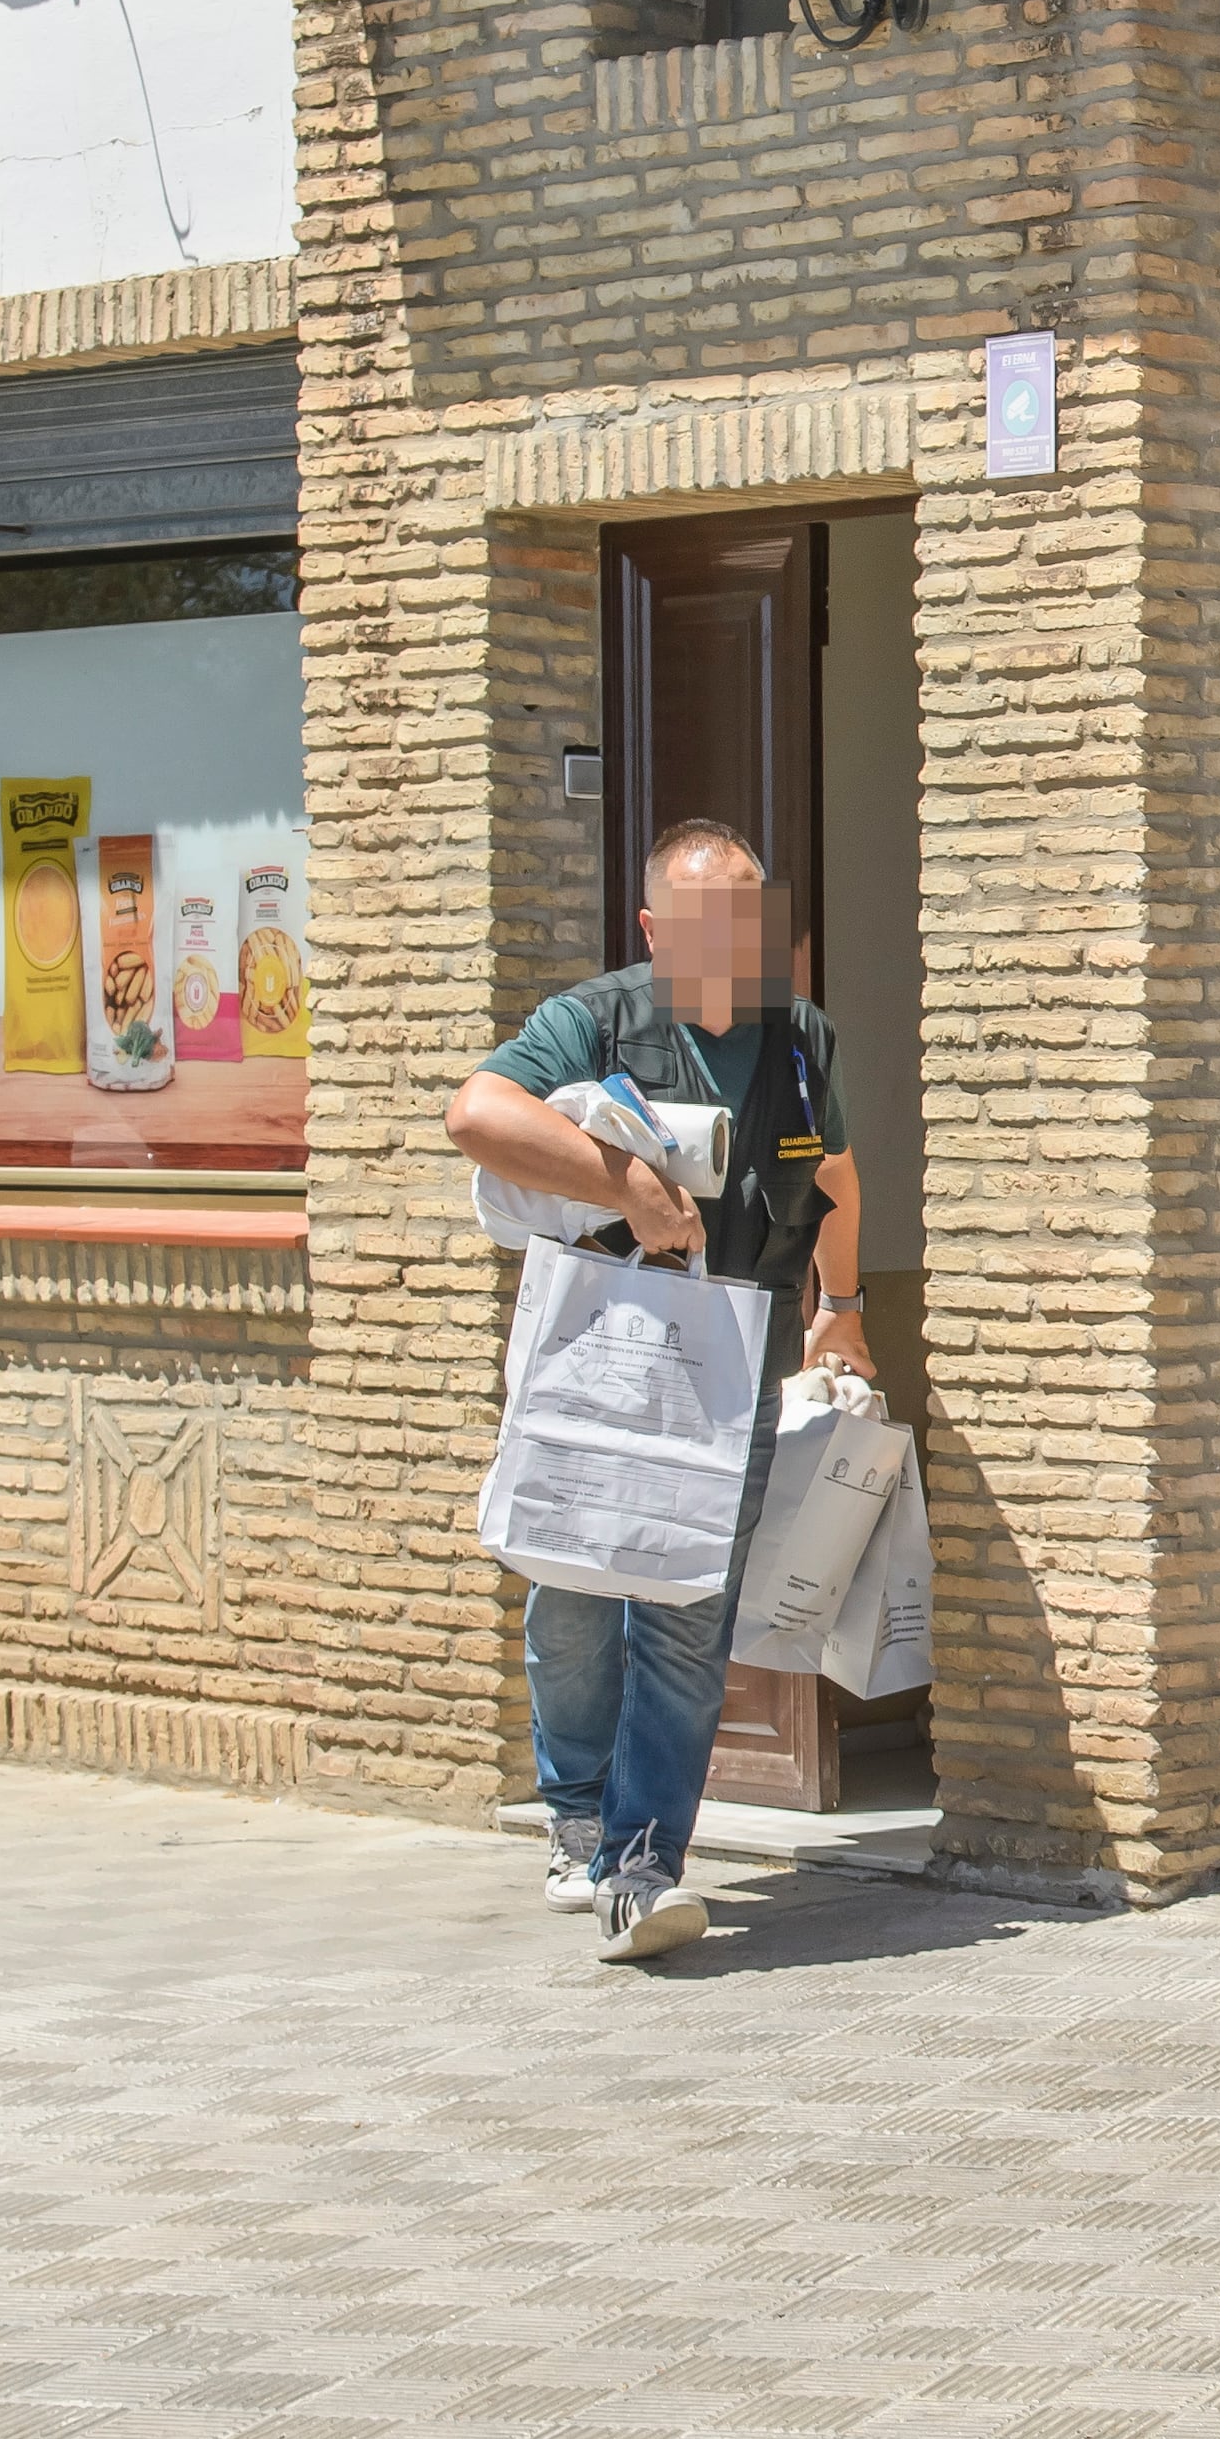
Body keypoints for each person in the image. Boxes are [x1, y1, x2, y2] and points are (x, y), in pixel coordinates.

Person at [444, 821, 867, 1964]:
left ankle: (642, 1865)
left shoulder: (799, 1036)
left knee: (687, 1609)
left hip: (731, 1357)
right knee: (576, 1593)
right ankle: (574, 1809)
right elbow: (475, 1115)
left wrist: (844, 1307)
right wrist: (621, 1178)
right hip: (603, 1351)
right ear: (652, 928)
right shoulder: (595, 1018)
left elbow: (827, 1172)